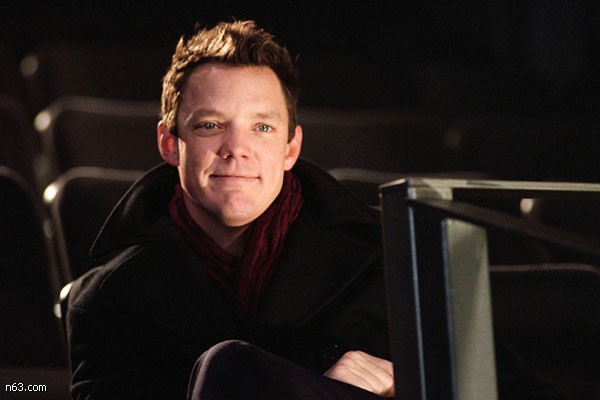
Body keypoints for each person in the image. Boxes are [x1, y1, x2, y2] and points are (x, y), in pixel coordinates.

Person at [66, 19, 393, 399]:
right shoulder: (107, 301)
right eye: (210, 125)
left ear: (291, 148)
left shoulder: (391, 258)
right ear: (169, 144)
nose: (236, 148)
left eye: (262, 128)